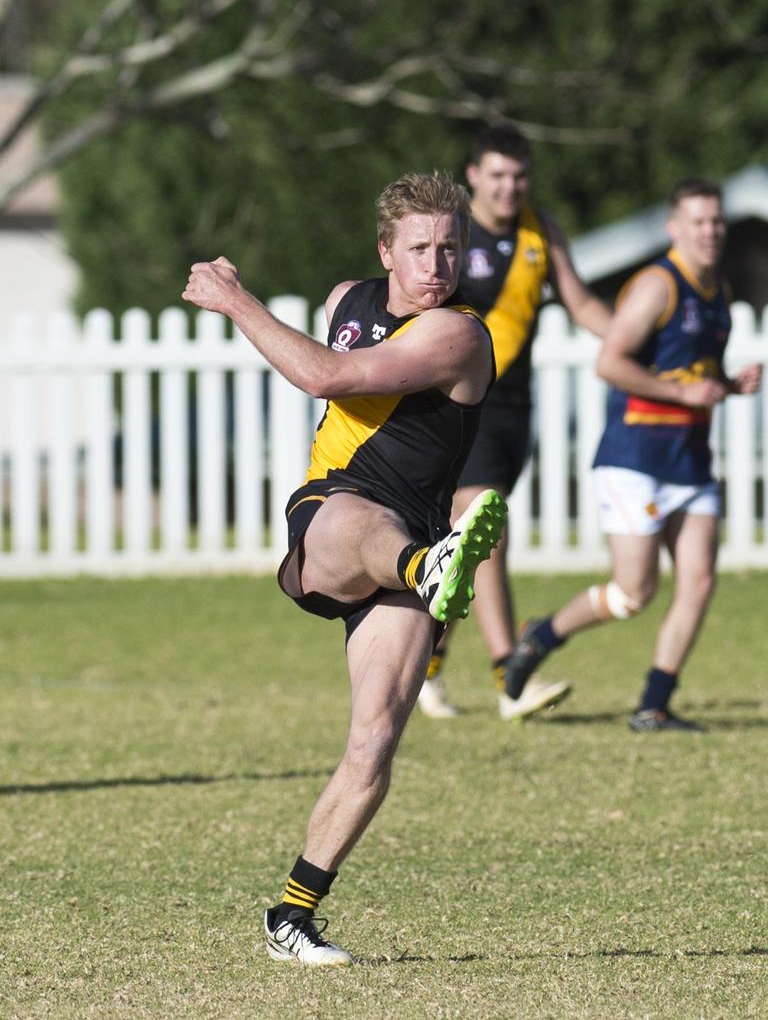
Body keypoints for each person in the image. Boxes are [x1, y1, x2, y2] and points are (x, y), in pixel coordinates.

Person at [182, 172, 507, 965]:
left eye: (451, 250)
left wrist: (233, 298)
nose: (439, 266)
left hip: (414, 542)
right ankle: (429, 567)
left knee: (374, 743)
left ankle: (291, 917)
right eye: (422, 249)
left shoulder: (459, 334)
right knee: (370, 523)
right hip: (333, 514)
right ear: (385, 252)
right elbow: (331, 367)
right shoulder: (346, 300)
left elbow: (327, 377)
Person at [503, 177, 762, 732]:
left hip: (690, 460)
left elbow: (687, 369)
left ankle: (654, 704)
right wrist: (684, 392)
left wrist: (728, 384)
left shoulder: (717, 289)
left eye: (716, 221)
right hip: (635, 458)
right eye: (697, 222)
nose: (710, 231)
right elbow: (610, 364)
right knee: (632, 592)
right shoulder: (657, 286)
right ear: (674, 227)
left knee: (699, 581)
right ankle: (540, 636)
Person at [417, 125, 612, 721]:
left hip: (512, 409)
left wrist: (637, 343)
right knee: (484, 531)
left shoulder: (540, 230)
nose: (509, 187)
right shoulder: (450, 232)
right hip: (453, 401)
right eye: (497, 175)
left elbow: (579, 303)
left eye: (519, 176)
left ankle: (425, 661)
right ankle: (511, 675)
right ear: (473, 175)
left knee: (467, 547)